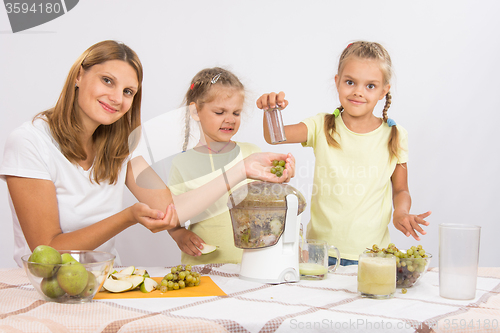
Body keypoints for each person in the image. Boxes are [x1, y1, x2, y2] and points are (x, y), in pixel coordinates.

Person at [0, 41, 295, 267]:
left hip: (101, 282)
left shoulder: (120, 148)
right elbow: (48, 250)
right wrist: (128, 216)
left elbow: (171, 211)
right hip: (42, 288)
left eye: (129, 91)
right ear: (79, 75)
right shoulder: (29, 143)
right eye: (107, 81)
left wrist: (243, 168)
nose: (117, 98)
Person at [256, 41, 431, 266]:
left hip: (373, 255)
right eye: (350, 82)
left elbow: (401, 189)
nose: (358, 91)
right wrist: (271, 110)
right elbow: (275, 136)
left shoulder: (395, 135)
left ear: (383, 90)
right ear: (337, 82)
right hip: (319, 253)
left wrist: (402, 212)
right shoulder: (321, 125)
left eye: (370, 86)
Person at [167, 67, 295, 265]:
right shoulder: (182, 163)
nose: (230, 119)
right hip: (201, 266)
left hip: (249, 264)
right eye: (220, 112)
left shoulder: (252, 154)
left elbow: (270, 202)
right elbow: (171, 214)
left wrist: (282, 178)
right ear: (195, 111)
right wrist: (178, 234)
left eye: (236, 112)